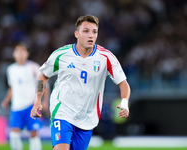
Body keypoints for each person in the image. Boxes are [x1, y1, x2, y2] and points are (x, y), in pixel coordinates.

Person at [30, 15, 131, 150]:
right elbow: (43, 76)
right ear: (76, 34)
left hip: (87, 118)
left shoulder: (106, 57)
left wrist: (124, 102)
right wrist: (37, 100)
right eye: (86, 31)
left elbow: (123, 83)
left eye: (94, 32)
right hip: (62, 111)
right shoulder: (61, 55)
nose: (91, 35)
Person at [1, 42, 49, 150]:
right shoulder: (11, 69)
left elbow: (44, 84)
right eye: (18, 51)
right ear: (14, 54)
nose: (20, 53)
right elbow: (12, 87)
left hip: (31, 105)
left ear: (27, 53)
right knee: (13, 134)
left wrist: (45, 101)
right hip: (16, 106)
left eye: (23, 51)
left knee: (34, 133)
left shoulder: (34, 67)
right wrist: (6, 100)